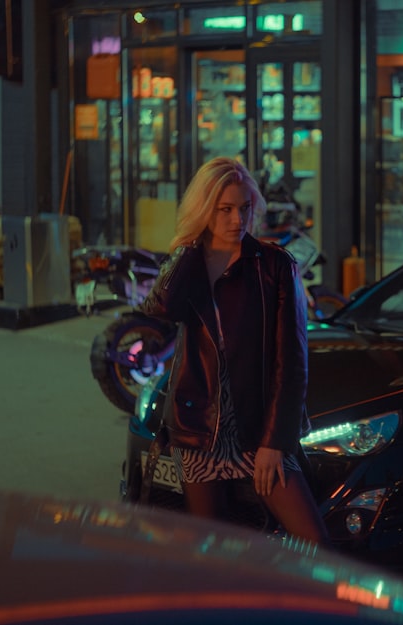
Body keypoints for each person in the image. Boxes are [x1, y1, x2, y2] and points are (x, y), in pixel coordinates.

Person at [139, 156, 329, 545]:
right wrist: (191, 249)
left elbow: (291, 363)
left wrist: (274, 443)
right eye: (224, 210)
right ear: (204, 209)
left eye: (244, 208)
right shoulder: (188, 264)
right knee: (212, 550)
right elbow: (160, 308)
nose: (236, 220)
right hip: (198, 432)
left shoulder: (275, 266)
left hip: (258, 431)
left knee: (316, 544)